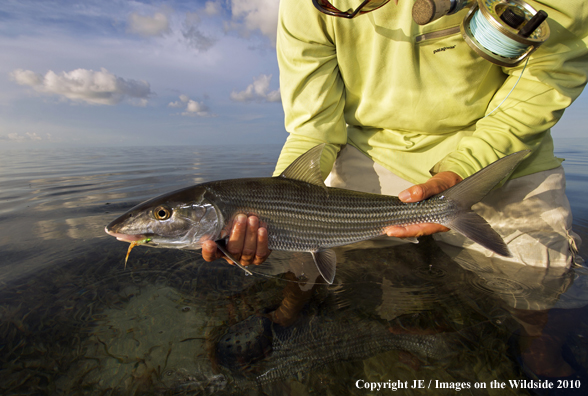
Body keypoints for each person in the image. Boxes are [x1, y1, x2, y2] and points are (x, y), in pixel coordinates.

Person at [202, 0, 588, 381]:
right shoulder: (304, 6)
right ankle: (287, 315)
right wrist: (277, 209)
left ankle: (539, 339)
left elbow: (549, 75)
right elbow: (313, 126)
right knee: (307, 244)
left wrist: (465, 169)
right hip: (372, 147)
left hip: (497, 139)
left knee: (539, 273)